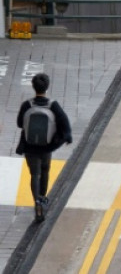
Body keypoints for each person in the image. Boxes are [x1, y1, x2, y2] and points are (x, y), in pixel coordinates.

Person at [16, 73, 72, 221]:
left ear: (33, 87)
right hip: (46, 147)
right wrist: (66, 136)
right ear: (47, 87)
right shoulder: (53, 105)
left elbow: (20, 123)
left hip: (30, 147)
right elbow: (65, 123)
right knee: (45, 171)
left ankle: (37, 205)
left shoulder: (27, 105)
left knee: (35, 174)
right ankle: (42, 200)